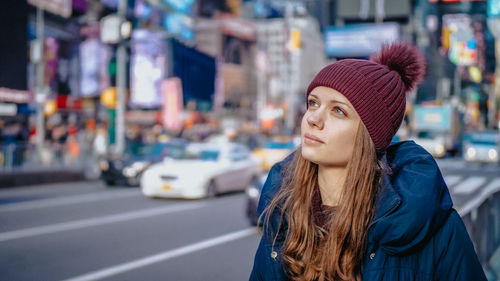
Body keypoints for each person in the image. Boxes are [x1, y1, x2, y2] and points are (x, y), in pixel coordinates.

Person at [249, 42, 486, 281]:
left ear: (369, 136)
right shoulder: (282, 217)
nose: (313, 118)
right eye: (313, 103)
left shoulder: (435, 229)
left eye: (338, 111)